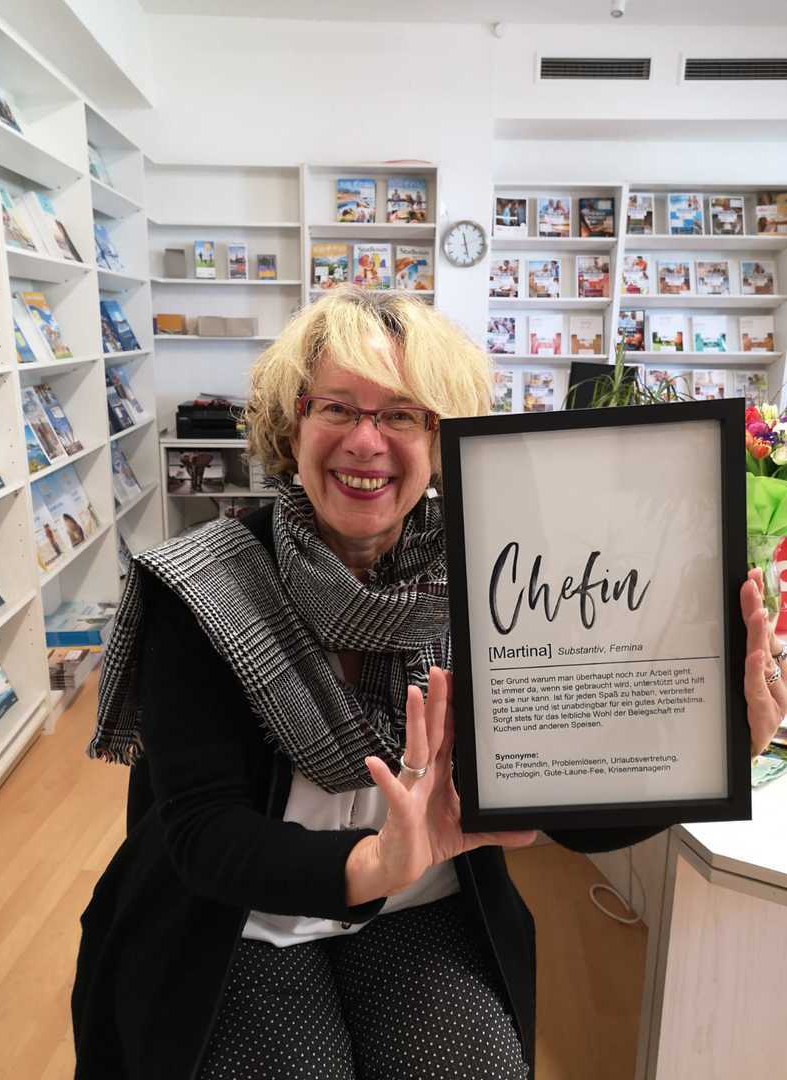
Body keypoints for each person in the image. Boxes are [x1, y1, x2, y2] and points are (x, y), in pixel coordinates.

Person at [72, 286, 783, 1080]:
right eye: (335, 407)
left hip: (424, 904)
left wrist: (714, 749)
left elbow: (569, 815)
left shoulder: (500, 584)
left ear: (440, 437)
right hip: (243, 917)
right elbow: (206, 835)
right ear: (291, 426)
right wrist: (373, 863)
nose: (365, 441)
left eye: (402, 414)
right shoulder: (203, 589)